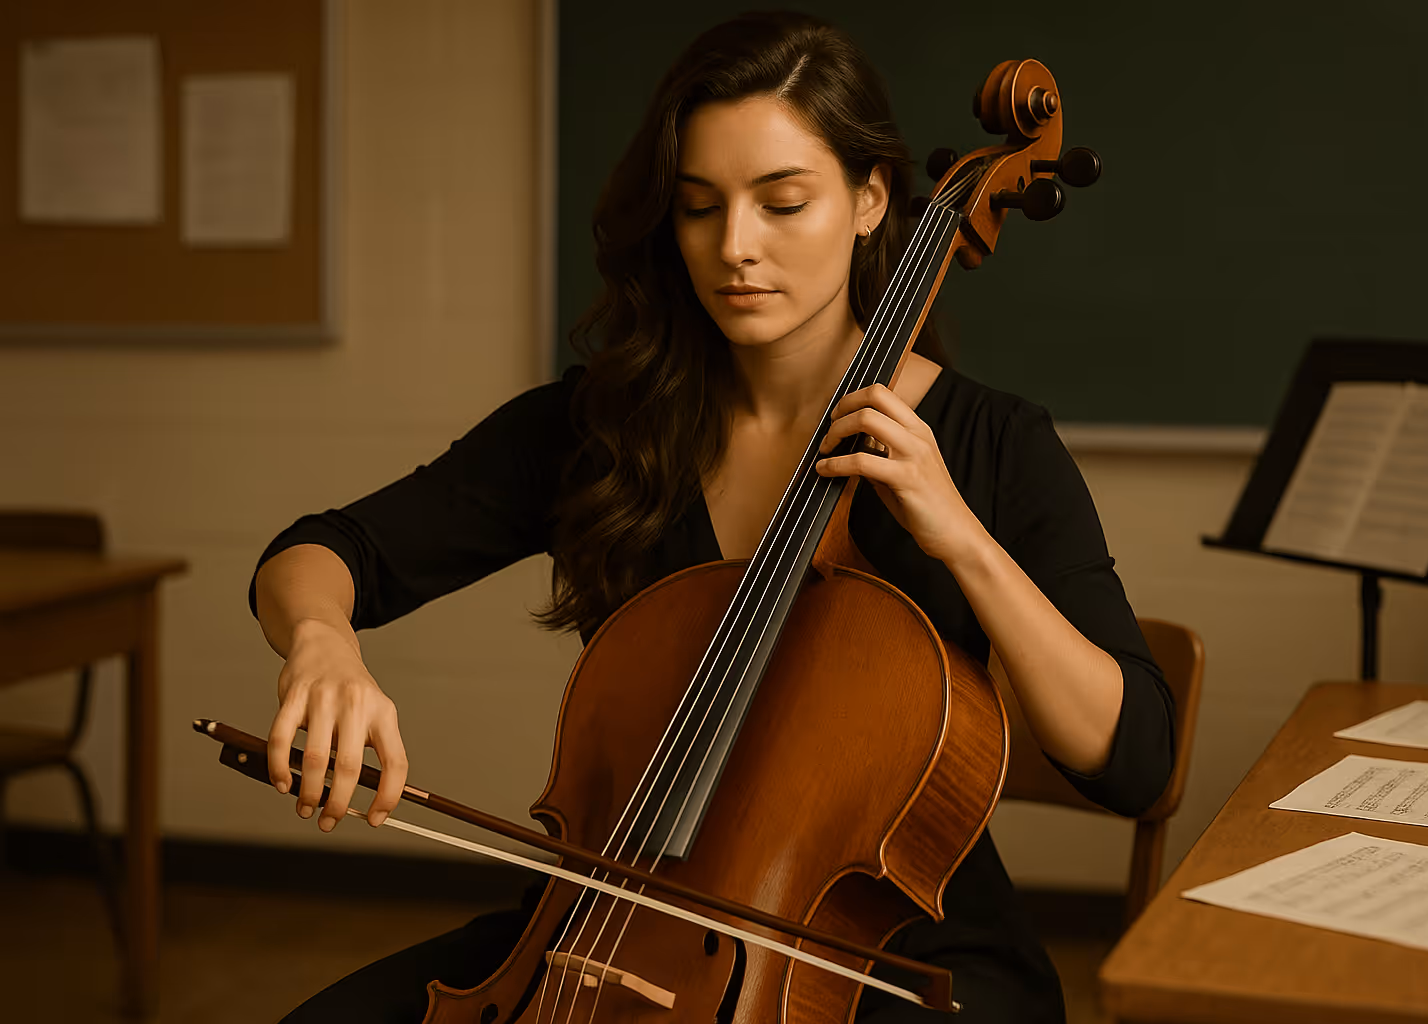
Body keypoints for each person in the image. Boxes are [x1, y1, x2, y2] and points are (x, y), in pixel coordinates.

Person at [250, 10, 1175, 1022]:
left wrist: (960, 534)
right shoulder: (601, 425)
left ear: (871, 201)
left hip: (895, 957)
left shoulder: (993, 443)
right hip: (604, 915)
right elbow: (328, 551)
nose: (735, 248)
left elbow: (1132, 759)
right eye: (699, 207)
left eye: (782, 202)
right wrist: (321, 643)